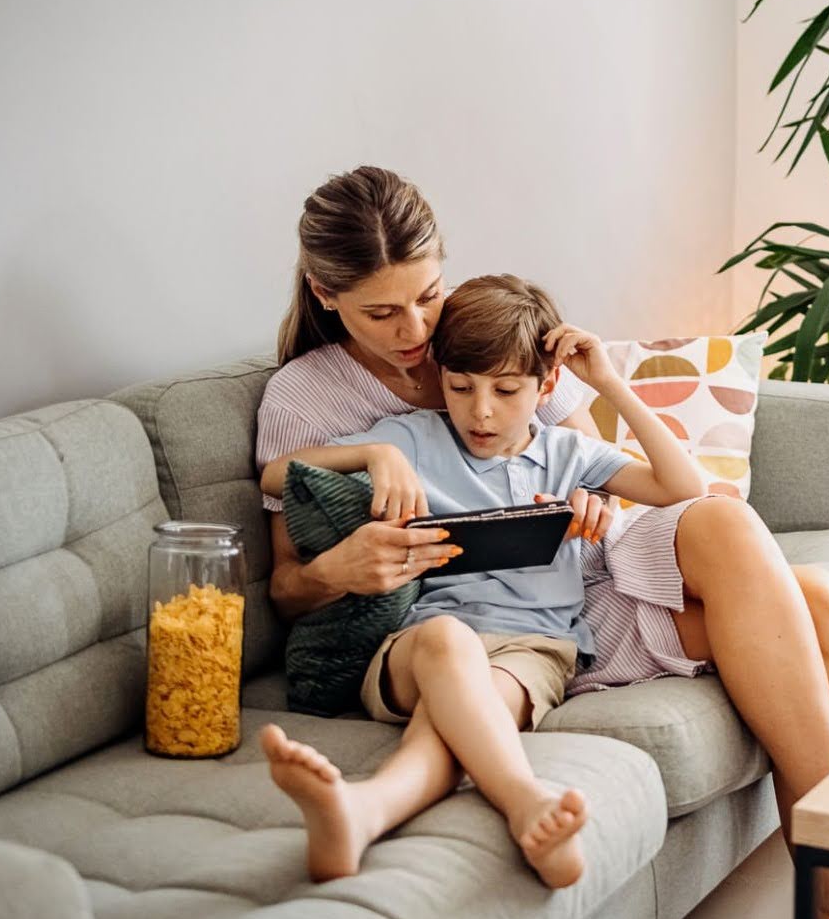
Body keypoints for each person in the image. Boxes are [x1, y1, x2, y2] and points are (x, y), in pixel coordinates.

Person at [257, 166, 829, 919]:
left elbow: (601, 463)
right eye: (381, 313)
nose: (416, 331)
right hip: (480, 621)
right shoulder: (310, 398)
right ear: (327, 296)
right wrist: (341, 562)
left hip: (580, 573)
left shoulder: (475, 334)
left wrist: (593, 492)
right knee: (804, 606)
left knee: (810, 592)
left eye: (426, 296)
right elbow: (287, 587)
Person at [259, 274, 708, 888]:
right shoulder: (412, 437)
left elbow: (686, 490)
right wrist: (373, 456)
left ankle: (363, 811)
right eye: (460, 387)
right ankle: (527, 802)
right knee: (448, 640)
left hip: (532, 650)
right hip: (418, 644)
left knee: (466, 714)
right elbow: (275, 475)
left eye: (505, 389)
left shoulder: (569, 453)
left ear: (546, 385)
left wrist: (607, 383)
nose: (481, 410)